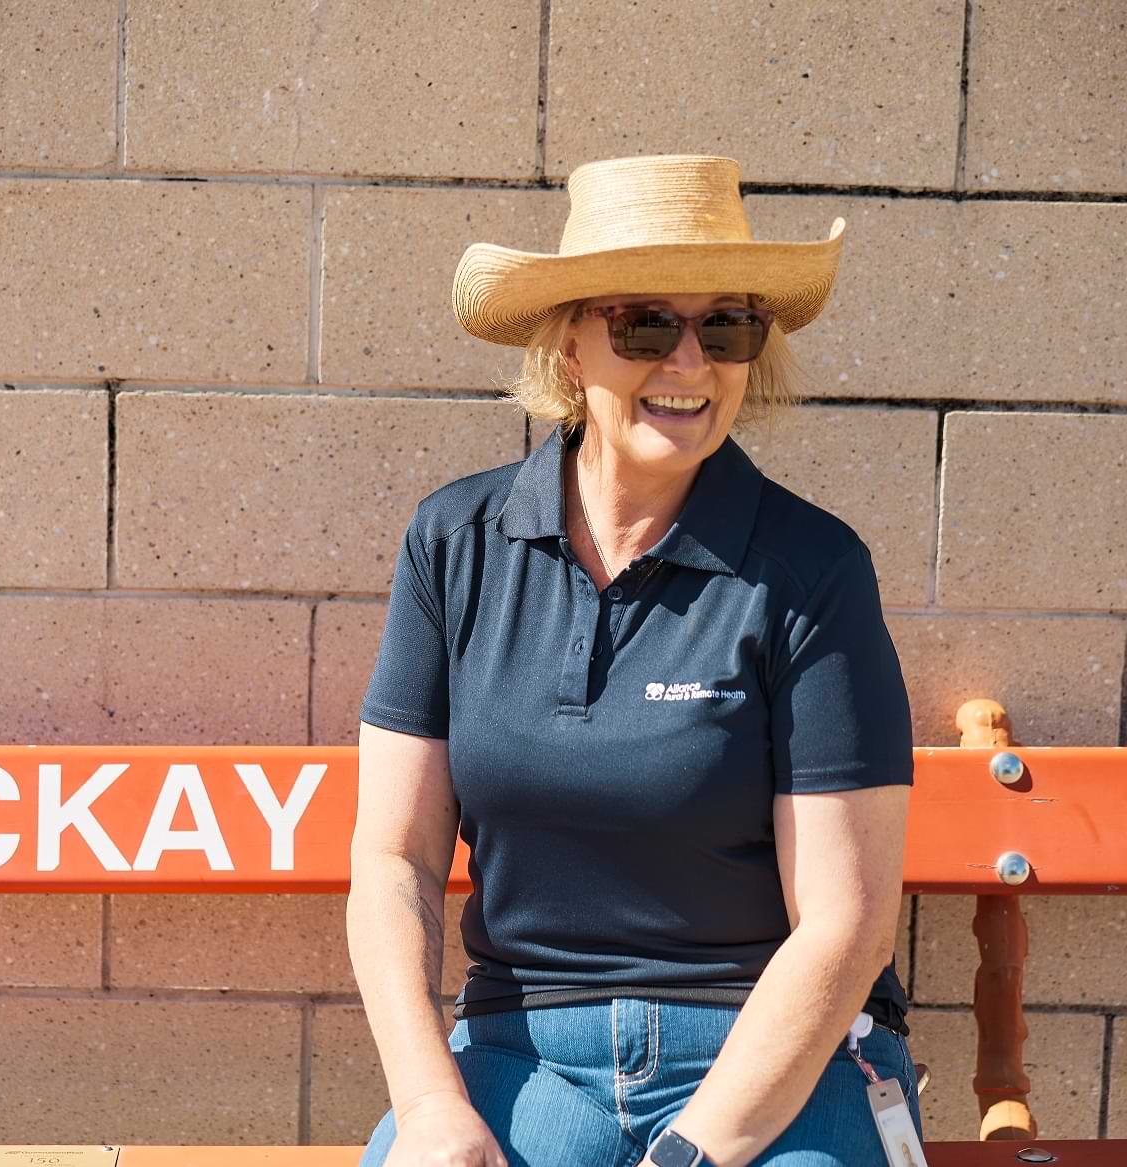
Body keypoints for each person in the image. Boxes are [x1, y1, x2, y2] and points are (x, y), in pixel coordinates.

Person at [346, 155, 923, 1167]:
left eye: (728, 326)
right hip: (524, 1054)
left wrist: (698, 1150)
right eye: (645, 323)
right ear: (569, 343)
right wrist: (432, 1109)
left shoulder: (811, 570)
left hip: (773, 1061)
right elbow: (394, 860)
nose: (690, 362)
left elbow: (848, 923)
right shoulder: (455, 544)